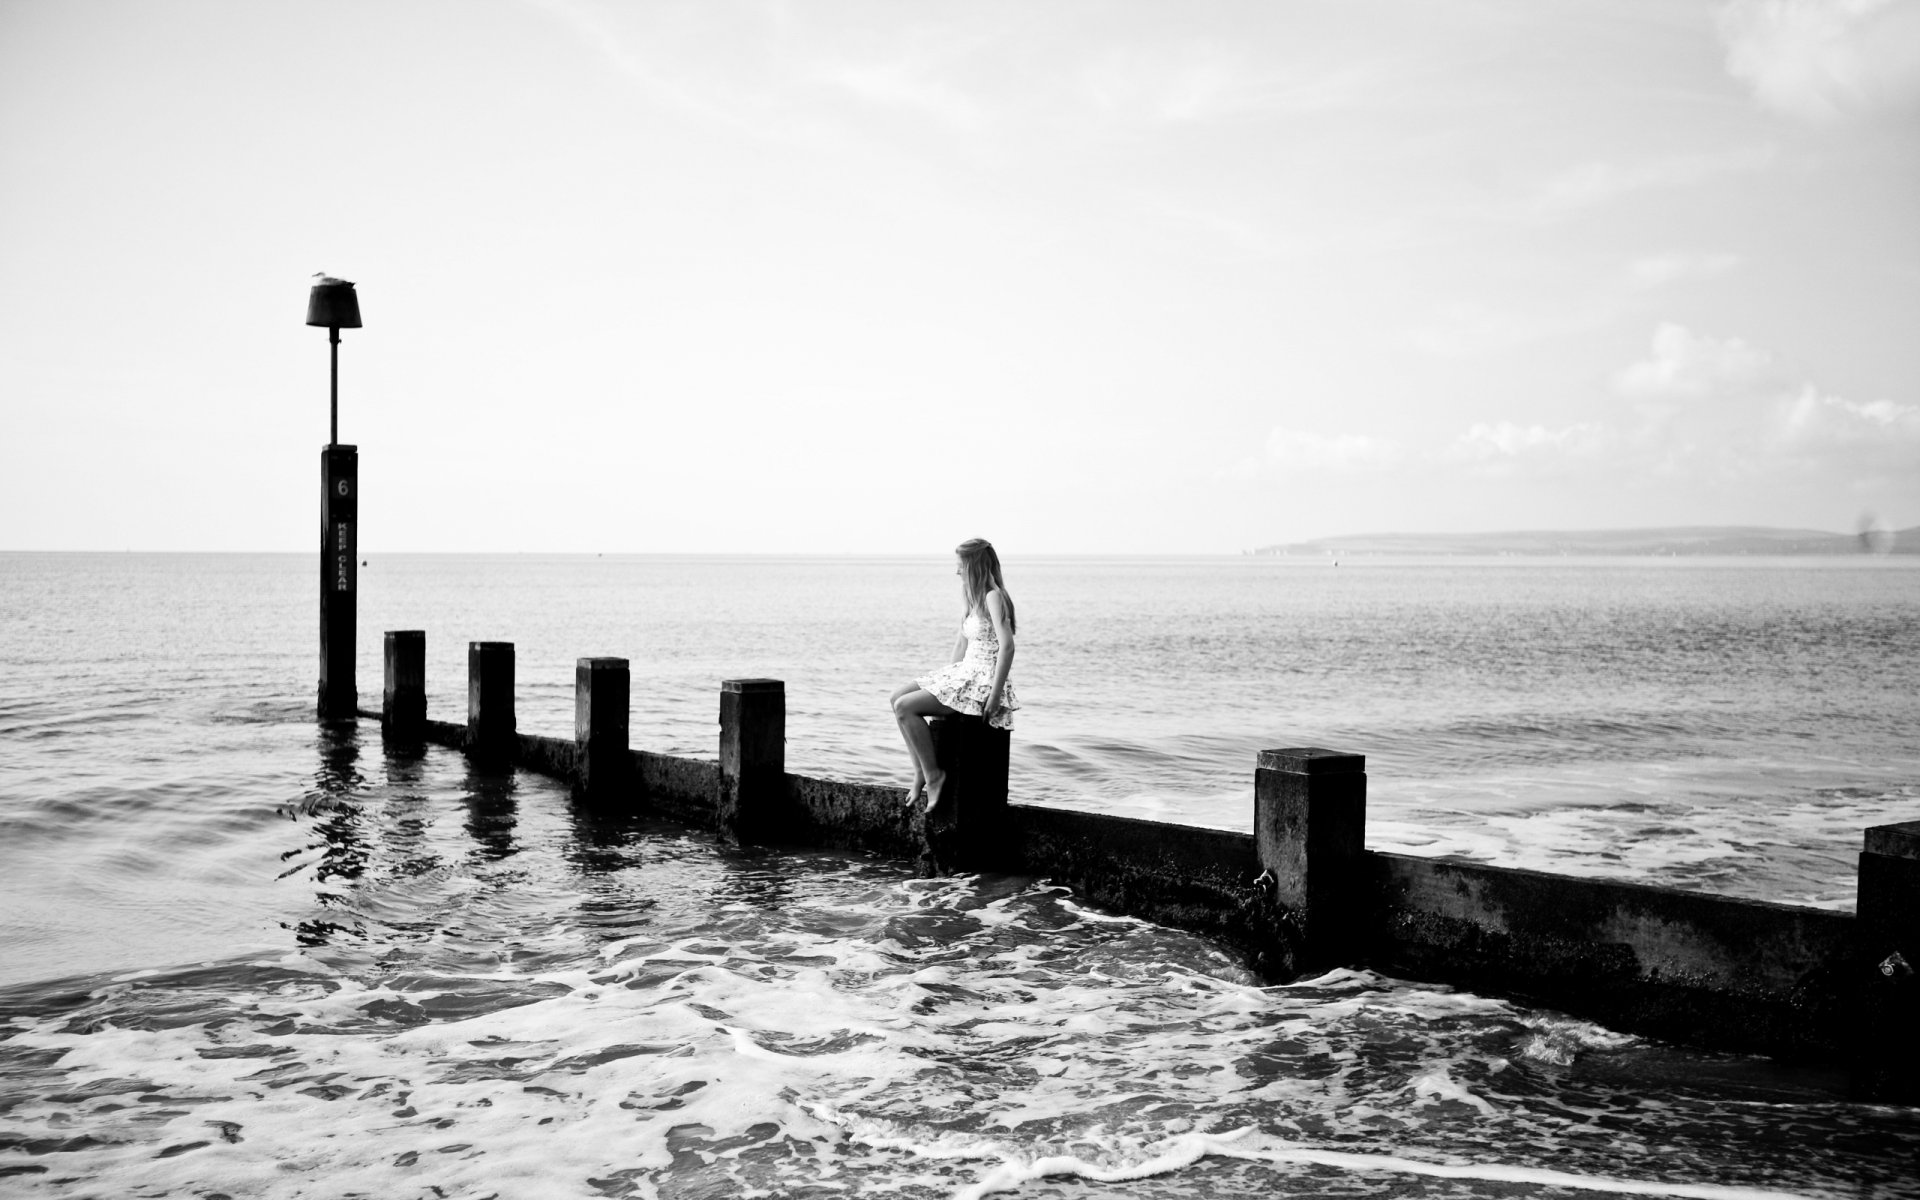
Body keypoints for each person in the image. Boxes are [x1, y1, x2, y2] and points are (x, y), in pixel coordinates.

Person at [890, 538, 1020, 815]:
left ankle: (934, 775)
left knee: (905, 707)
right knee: (896, 698)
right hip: (964, 674)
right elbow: (961, 645)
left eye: (960, 565)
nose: (957, 571)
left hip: (983, 679)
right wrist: (943, 685)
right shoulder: (971, 598)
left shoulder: (993, 597)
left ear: (973, 565)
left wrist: (995, 695)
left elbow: (1007, 645)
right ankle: (921, 773)